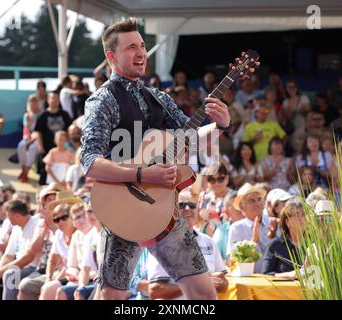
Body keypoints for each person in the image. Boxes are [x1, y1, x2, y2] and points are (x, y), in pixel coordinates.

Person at [80, 18, 241, 300]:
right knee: (112, 298)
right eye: (131, 47)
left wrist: (220, 125)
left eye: (143, 46)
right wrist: (143, 175)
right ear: (111, 56)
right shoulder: (102, 100)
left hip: (164, 211)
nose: (141, 52)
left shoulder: (158, 97)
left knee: (205, 295)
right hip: (123, 207)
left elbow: (189, 136)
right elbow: (90, 162)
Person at [147, 191, 228, 300]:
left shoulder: (208, 241)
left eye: (192, 205)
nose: (187, 209)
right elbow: (155, 291)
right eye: (181, 205)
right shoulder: (162, 242)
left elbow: (225, 285)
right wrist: (199, 284)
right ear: (171, 210)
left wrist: (218, 282)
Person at [0, 200, 40, 300]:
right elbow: (9, 255)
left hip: (32, 266)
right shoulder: (16, 228)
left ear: (17, 216)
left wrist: (0, 272)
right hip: (17, 264)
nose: (7, 219)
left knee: (10, 275)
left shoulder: (36, 225)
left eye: (8, 216)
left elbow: (27, 259)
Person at [227, 183, 273, 272]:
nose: (258, 203)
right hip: (249, 281)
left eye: (259, 199)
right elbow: (233, 260)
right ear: (242, 207)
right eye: (252, 201)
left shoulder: (274, 223)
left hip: (276, 279)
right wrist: (254, 241)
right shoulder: (236, 228)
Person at [34, 90, 72, 185]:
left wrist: (69, 145)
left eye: (56, 98)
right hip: (47, 148)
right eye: (52, 98)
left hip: (62, 149)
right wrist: (40, 147)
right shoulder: (43, 116)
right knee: (45, 171)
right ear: (47, 100)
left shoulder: (65, 115)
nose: (54, 100)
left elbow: (69, 131)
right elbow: (38, 133)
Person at [261, 198, 306, 278]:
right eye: (297, 214)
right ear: (287, 222)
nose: (301, 218)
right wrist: (289, 275)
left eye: (303, 214)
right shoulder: (276, 245)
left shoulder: (313, 245)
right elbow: (265, 274)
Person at [212, 191, 244, 262]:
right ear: (227, 212)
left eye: (242, 204)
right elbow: (214, 257)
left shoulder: (256, 225)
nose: (240, 208)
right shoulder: (221, 231)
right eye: (235, 205)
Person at [17, 94, 41, 182]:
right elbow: (26, 128)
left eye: (35, 101)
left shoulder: (42, 114)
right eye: (32, 101)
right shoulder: (27, 115)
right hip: (28, 138)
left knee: (33, 148)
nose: (33, 104)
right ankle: (23, 169)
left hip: (38, 139)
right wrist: (28, 139)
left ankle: (26, 172)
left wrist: (34, 139)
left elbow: (40, 130)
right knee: (21, 146)